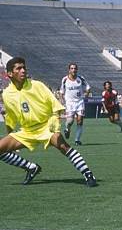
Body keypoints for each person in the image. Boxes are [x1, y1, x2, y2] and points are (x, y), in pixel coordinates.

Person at [0, 57, 97, 186]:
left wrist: (55, 121)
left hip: (46, 127)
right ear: (10, 74)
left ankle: (88, 174)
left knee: (64, 147)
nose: (23, 70)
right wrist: (10, 135)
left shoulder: (37, 85)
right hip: (27, 131)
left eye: (24, 67)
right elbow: (10, 118)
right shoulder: (7, 94)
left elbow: (55, 104)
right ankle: (31, 167)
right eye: (19, 68)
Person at [59, 63, 91, 146]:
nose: (74, 70)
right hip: (69, 103)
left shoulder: (80, 78)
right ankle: (67, 129)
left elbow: (88, 87)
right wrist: (62, 102)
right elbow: (61, 92)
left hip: (80, 102)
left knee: (80, 121)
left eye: (75, 68)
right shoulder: (65, 79)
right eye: (72, 68)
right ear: (69, 70)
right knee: (70, 121)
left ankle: (77, 140)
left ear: (77, 69)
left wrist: (86, 94)